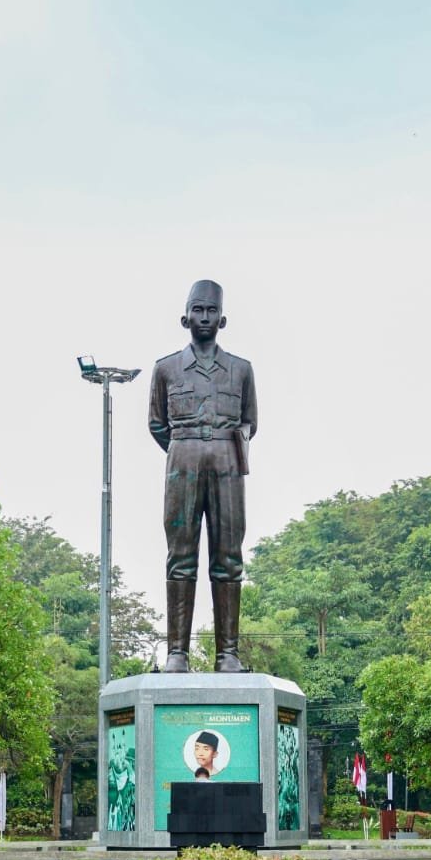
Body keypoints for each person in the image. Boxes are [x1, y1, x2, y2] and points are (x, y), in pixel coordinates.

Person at [149, 279, 258, 673]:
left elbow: (250, 422)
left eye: (212, 311)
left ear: (223, 319)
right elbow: (157, 424)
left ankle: (227, 654)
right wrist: (188, 451)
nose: (205, 318)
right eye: (198, 310)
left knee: (229, 557)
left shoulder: (242, 370)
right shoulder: (166, 369)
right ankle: (176, 653)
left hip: (229, 462)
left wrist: (217, 451)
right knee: (181, 556)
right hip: (183, 460)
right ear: (185, 318)